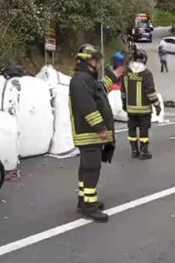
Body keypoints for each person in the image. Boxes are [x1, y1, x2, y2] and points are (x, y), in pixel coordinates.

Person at [69, 44, 124, 223]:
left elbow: (99, 90)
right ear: (87, 61)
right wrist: (100, 127)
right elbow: (86, 106)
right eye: (95, 60)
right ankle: (89, 207)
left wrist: (114, 76)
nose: (98, 64)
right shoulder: (80, 80)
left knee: (87, 168)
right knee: (92, 168)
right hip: (89, 134)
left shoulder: (86, 79)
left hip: (91, 134)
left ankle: (84, 200)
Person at [121, 49, 161, 160]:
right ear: (144, 59)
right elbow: (150, 92)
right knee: (144, 130)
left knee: (132, 129)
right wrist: (157, 105)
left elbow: (123, 91)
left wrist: (124, 104)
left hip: (131, 109)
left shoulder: (126, 73)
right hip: (144, 110)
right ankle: (144, 152)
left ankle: (134, 151)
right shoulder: (146, 73)